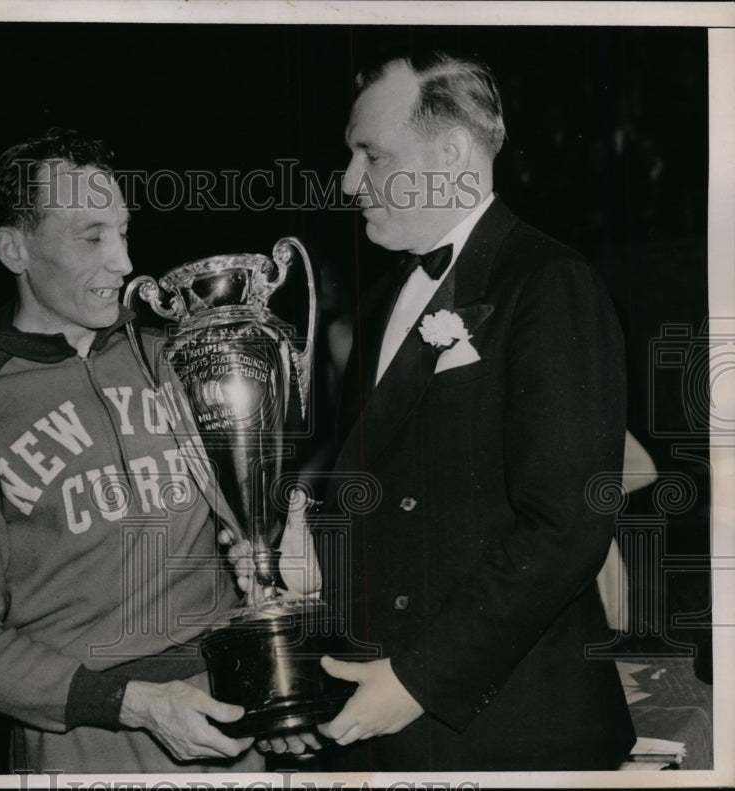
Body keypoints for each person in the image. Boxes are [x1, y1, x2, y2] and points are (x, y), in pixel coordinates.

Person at [270, 52, 637, 770]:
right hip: (389, 713)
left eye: (370, 154)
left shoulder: (549, 281)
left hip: (508, 727)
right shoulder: (382, 305)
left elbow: (567, 525)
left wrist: (417, 680)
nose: (348, 182)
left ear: (453, 152)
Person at [0, 128, 262, 774]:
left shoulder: (176, 355)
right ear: (15, 248)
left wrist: (265, 546)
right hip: (91, 733)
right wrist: (132, 702)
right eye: (91, 236)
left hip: (232, 710)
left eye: (123, 231)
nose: (124, 261)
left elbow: (245, 511)